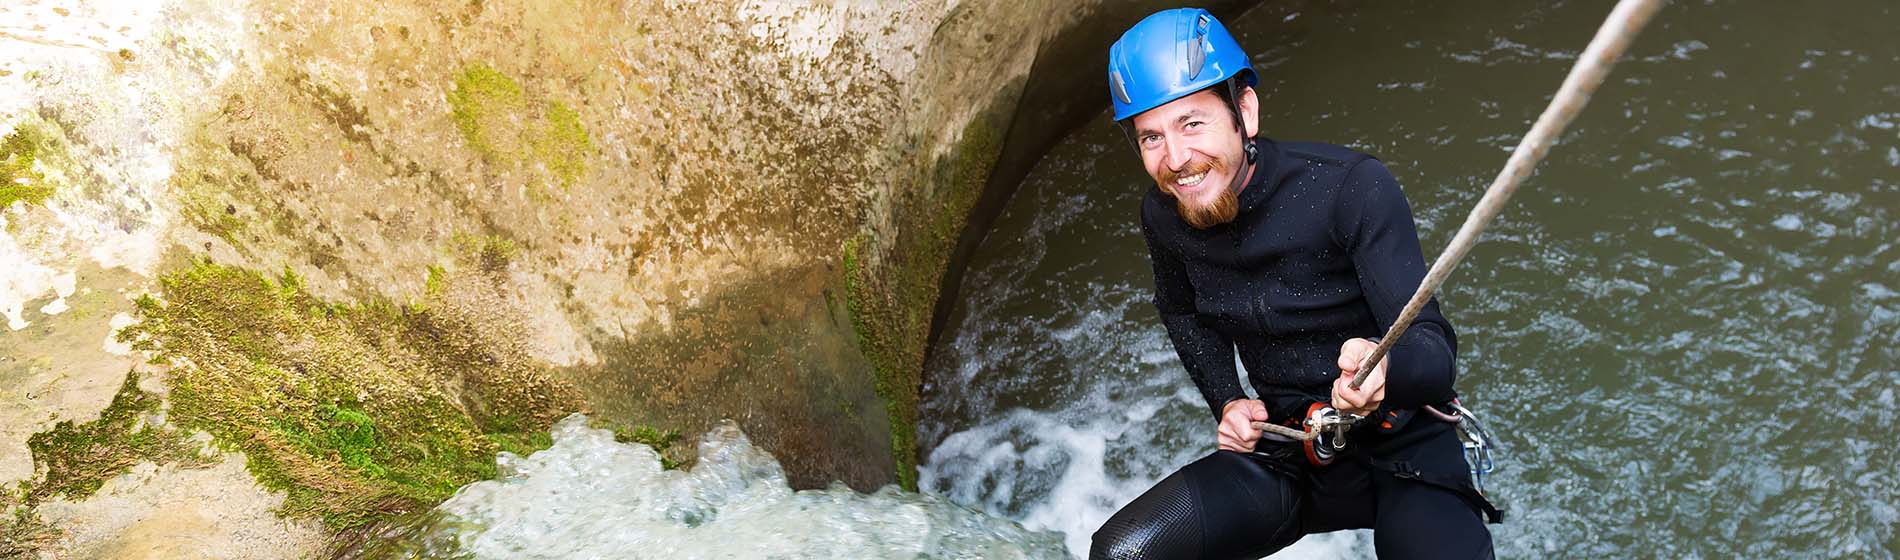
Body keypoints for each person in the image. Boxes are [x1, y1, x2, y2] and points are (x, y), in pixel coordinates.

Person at [1091, 8, 1501, 560]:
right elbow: (1181, 310)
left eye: (1193, 124)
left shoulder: (1350, 189)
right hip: (1292, 447)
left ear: (1245, 111)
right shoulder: (1165, 213)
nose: (1177, 160)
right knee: (1124, 553)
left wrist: (1384, 371)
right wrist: (1228, 401)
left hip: (1405, 442)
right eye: (1151, 138)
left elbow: (1433, 352)